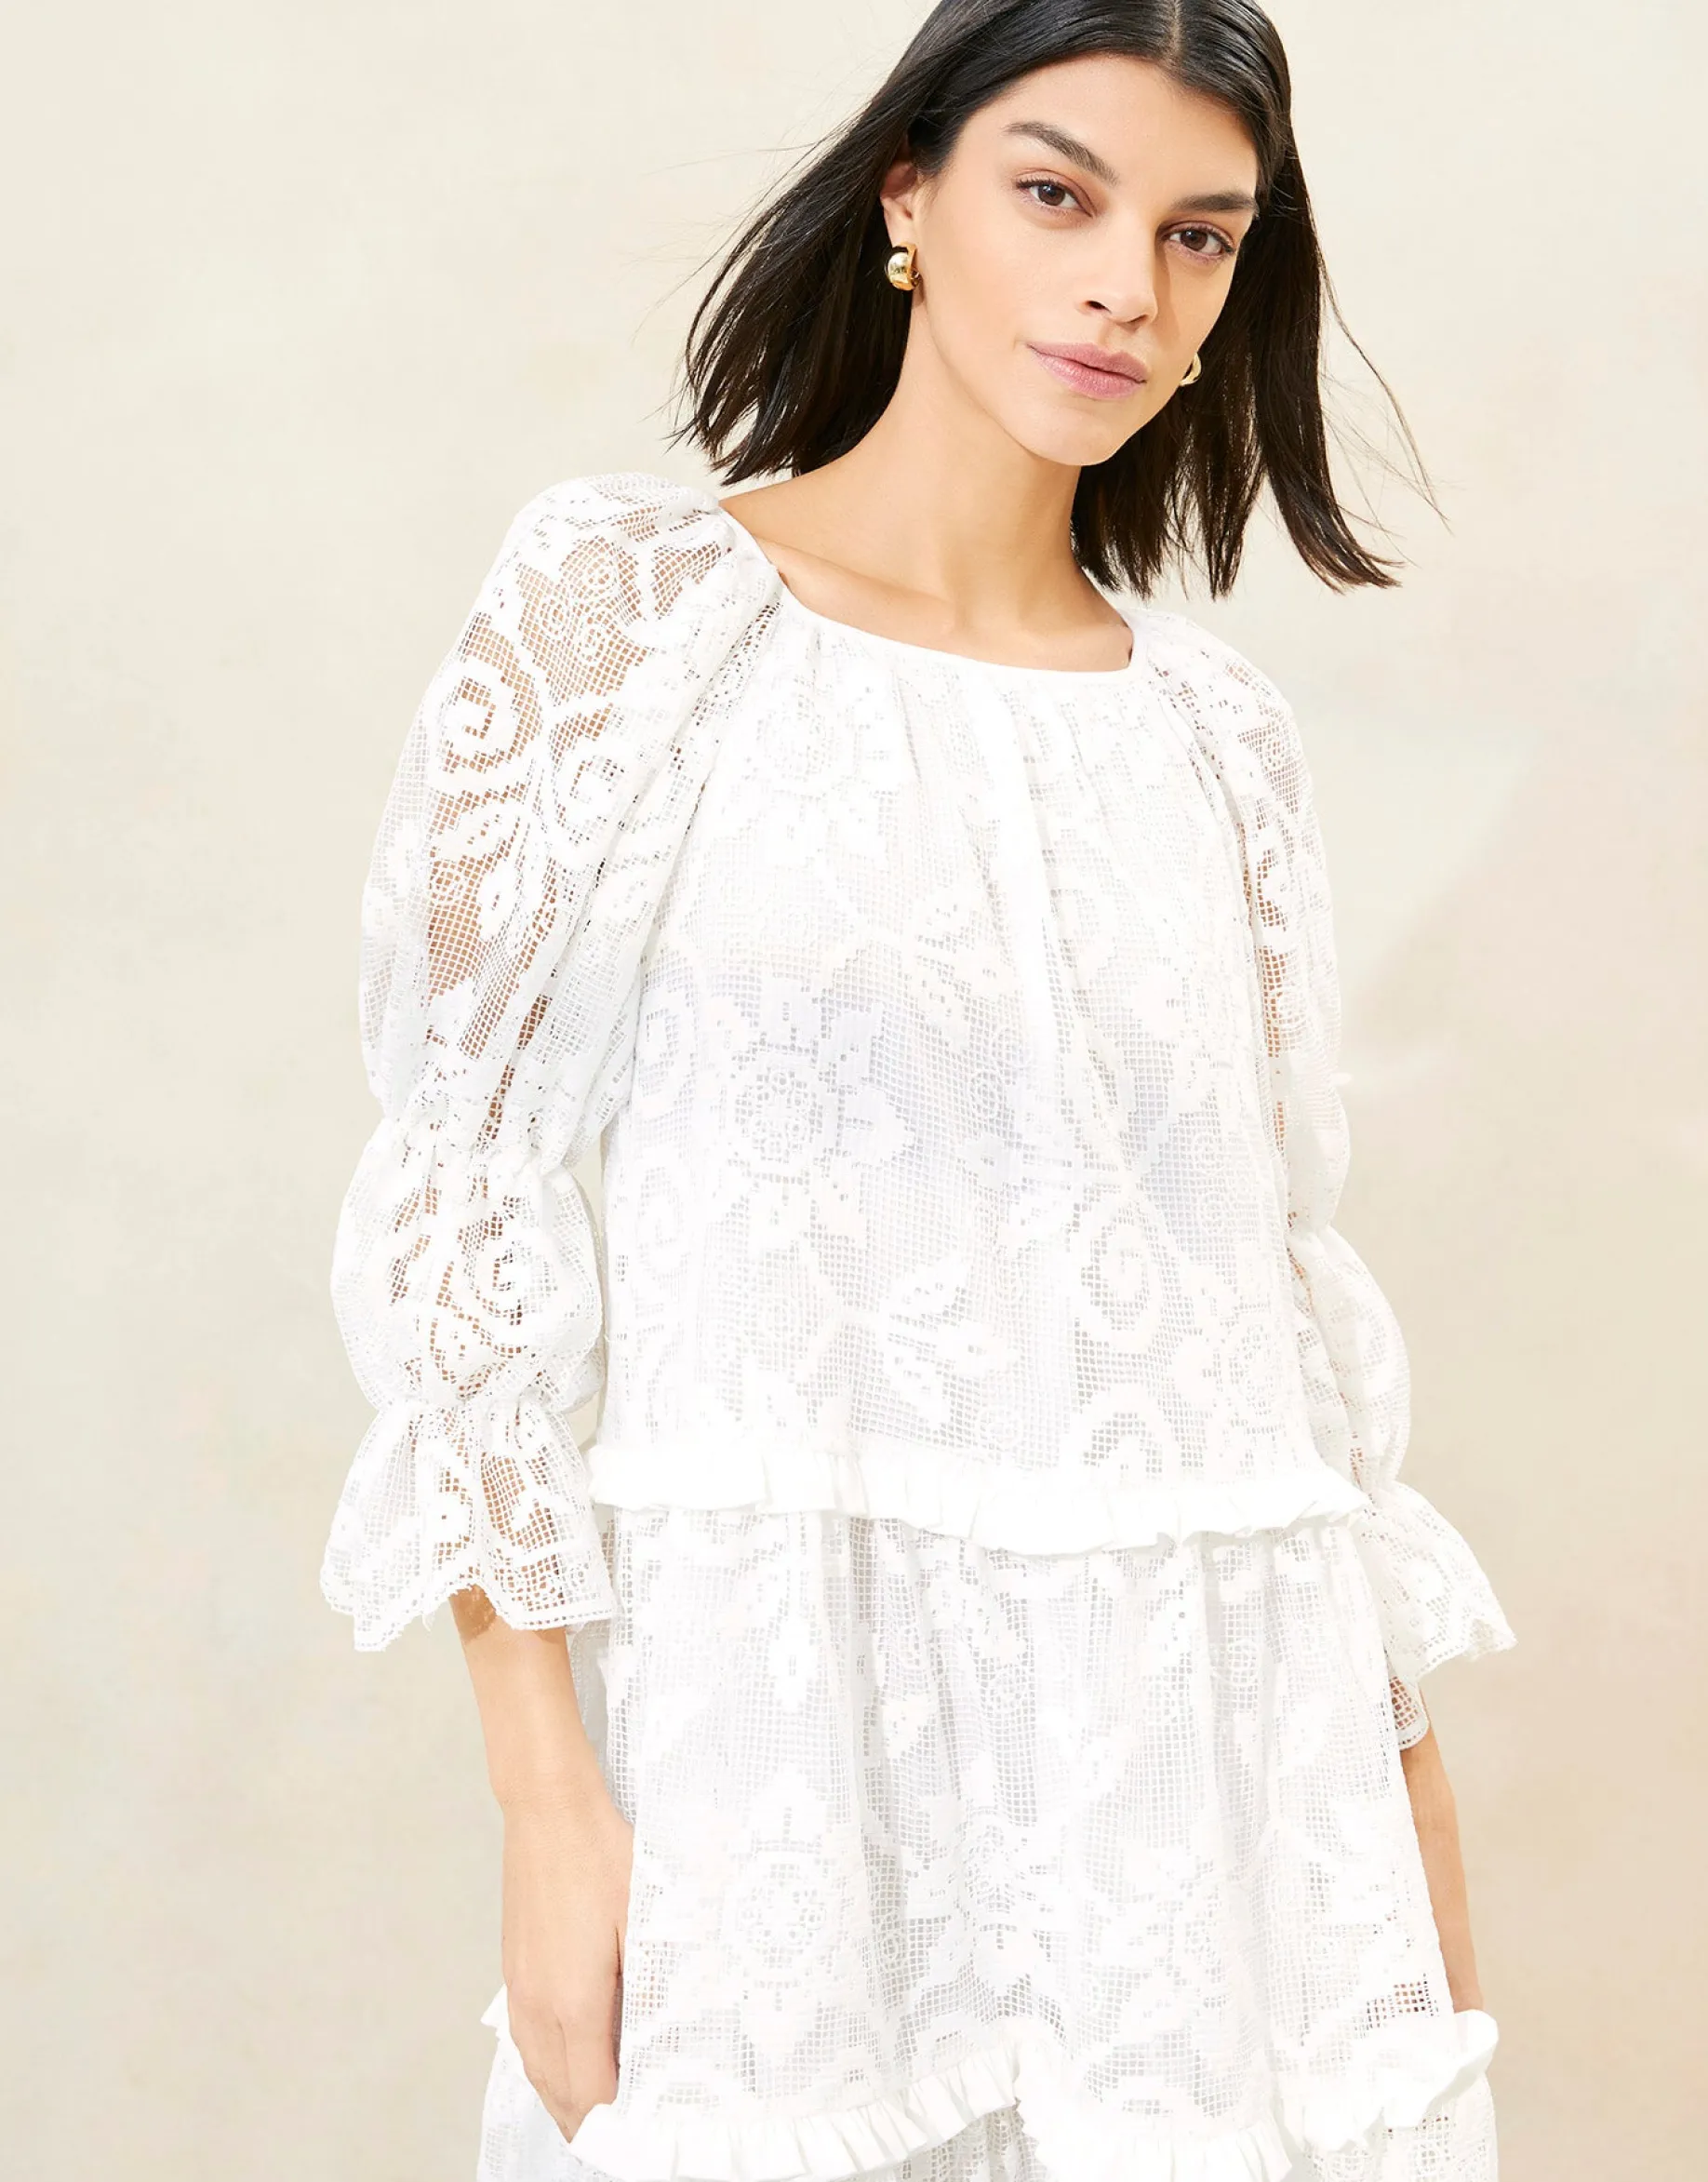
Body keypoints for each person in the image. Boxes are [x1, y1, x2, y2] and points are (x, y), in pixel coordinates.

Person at [321, 5, 1517, 2179]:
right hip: (781, 1783)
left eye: (1198, 235)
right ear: (907, 194)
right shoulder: (629, 619)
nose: (1123, 287)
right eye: (1056, 194)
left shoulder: (1218, 742)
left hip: (1206, 1821)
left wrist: (1404, 1804)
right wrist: (546, 1793)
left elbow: (1271, 1314)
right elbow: (466, 1195)